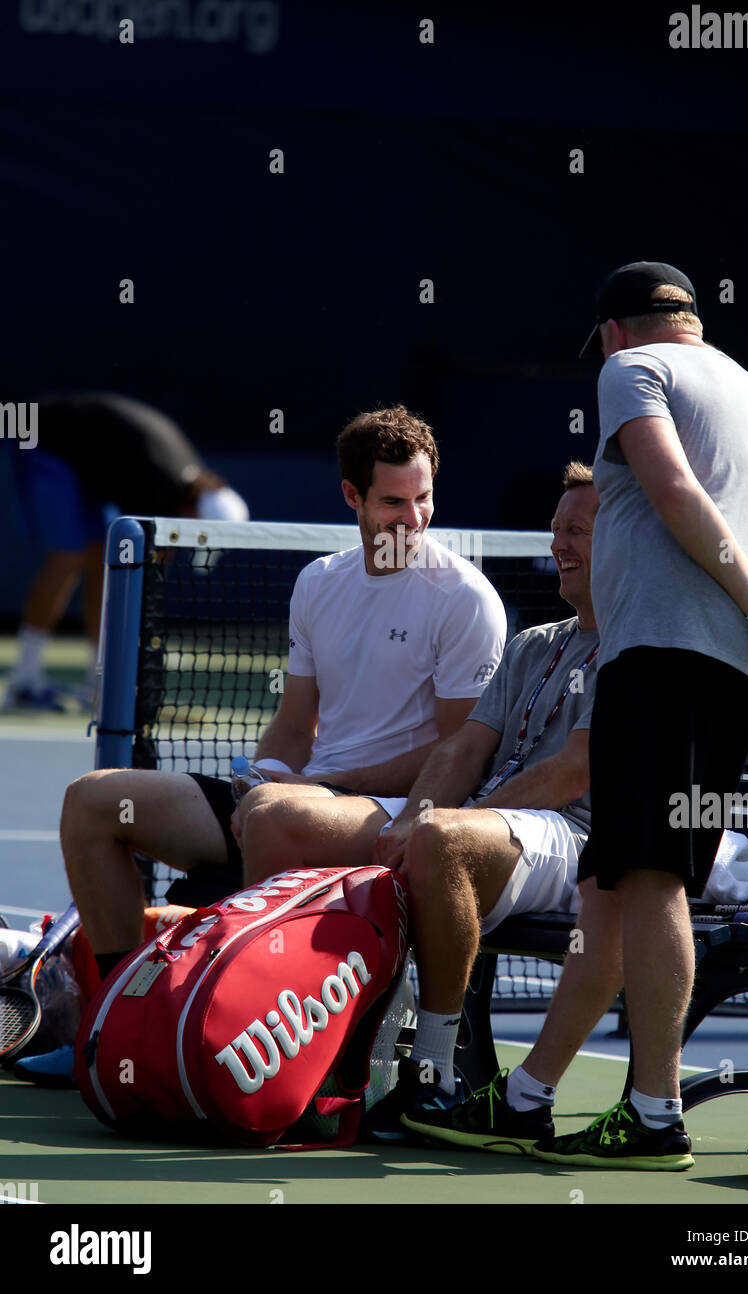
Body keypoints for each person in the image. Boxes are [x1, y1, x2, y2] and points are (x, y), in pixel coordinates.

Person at [403, 260, 748, 1168]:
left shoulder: (632, 371)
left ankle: (653, 1114)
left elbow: (673, 488)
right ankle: (525, 1100)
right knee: (613, 883)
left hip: (670, 659)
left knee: (651, 883)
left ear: (612, 330)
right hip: (733, 675)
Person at [19, 405, 505, 1086]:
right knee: (96, 800)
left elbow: (459, 751)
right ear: (351, 497)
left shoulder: (465, 600)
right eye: (393, 501)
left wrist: (315, 789)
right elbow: (295, 720)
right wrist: (266, 773)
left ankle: (235, 1037)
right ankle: (115, 1028)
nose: (413, 518)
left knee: (276, 814)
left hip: (395, 813)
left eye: (422, 498)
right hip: (298, 800)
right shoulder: (319, 583)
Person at [236, 462, 599, 1136]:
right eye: (556, 530)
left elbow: (569, 775)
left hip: (579, 843)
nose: (559, 545)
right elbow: (460, 750)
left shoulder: (634, 649)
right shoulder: (532, 645)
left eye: (576, 531)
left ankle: (431, 1073)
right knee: (312, 827)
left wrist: (444, 823)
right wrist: (407, 818)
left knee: (439, 842)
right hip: (495, 824)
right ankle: (303, 1042)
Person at [3, 392, 248, 711]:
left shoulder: (184, 487)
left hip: (84, 455)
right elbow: (146, 574)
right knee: (69, 557)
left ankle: (100, 681)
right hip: (44, 438)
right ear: (191, 512)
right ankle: (24, 680)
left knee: (99, 559)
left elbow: (145, 571)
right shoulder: (155, 485)